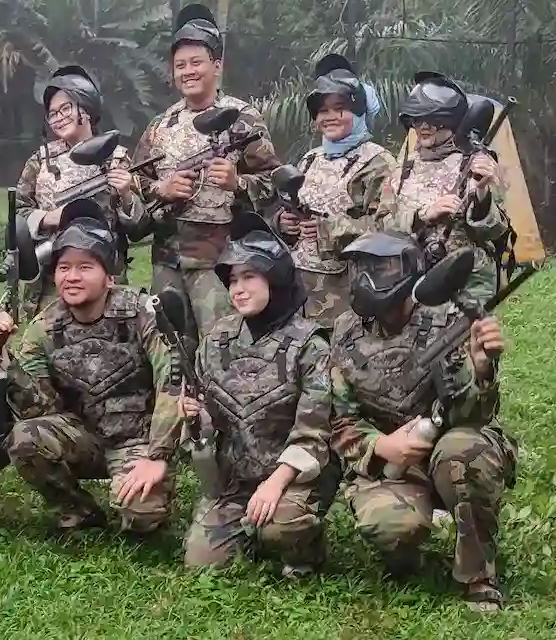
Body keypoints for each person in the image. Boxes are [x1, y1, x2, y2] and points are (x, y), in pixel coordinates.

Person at [330, 232, 515, 612]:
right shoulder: (345, 332)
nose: (365, 280)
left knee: (463, 452)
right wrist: (383, 445)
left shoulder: (449, 319)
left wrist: (482, 368)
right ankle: (410, 549)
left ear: (408, 270)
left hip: (451, 442)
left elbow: (474, 416)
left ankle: (478, 576)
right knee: (390, 528)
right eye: (359, 270)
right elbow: (342, 421)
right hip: (394, 462)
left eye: (379, 269)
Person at [0, 204, 178, 534]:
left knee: (143, 515)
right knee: (25, 437)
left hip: (138, 439)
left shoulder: (142, 313)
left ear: (109, 276)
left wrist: (158, 456)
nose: (72, 277)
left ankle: (140, 491)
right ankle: (78, 511)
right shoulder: (44, 328)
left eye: (85, 267)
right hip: (83, 438)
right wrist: (1, 354)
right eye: (64, 268)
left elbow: (171, 383)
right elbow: (38, 409)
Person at [176, 228, 333, 576]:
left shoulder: (310, 345)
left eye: (249, 277)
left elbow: (314, 433)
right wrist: (195, 417)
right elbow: (209, 423)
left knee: (280, 525)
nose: (238, 289)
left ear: (275, 279)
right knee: (203, 564)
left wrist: (275, 484)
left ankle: (304, 550)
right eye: (233, 280)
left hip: (293, 477)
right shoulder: (216, 340)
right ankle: (250, 528)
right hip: (236, 479)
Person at [131, 4, 280, 358]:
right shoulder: (161, 126)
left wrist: (237, 182)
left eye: (196, 62)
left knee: (222, 349)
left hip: (221, 264)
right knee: (171, 349)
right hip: (167, 261)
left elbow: (273, 182)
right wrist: (162, 189)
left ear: (217, 65)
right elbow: (135, 185)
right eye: (180, 65)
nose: (188, 72)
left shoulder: (243, 119)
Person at [272, 54, 396, 325]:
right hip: (298, 293)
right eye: (322, 111)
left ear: (360, 111)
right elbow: (293, 211)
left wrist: (328, 229)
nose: (329, 117)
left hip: (345, 298)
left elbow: (389, 231)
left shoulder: (377, 163)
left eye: (339, 108)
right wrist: (285, 223)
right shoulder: (311, 159)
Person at [15, 64, 145, 319]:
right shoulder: (41, 160)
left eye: (66, 108)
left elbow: (140, 228)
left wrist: (126, 194)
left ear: (85, 108)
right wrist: (49, 218)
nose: (59, 118)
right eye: (52, 113)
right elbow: (17, 215)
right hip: (53, 279)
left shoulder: (117, 158)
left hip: (104, 278)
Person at [379, 72, 511, 303]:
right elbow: (381, 225)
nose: (424, 127)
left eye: (434, 120)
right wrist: (423, 215)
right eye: (417, 119)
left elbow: (497, 232)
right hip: (413, 285)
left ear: (452, 120)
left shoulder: (478, 163)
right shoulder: (404, 168)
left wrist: (482, 194)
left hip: (467, 288)